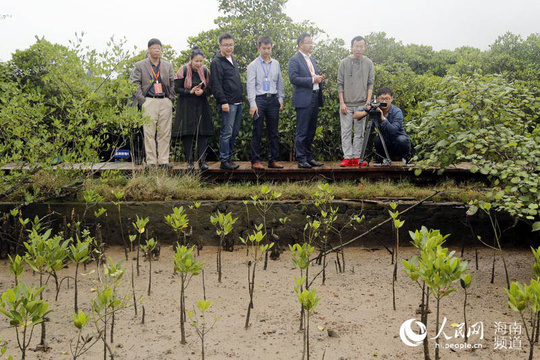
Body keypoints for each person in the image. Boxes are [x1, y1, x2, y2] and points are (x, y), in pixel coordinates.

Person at [130, 38, 175, 169]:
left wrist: (170, 98)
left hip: (164, 100)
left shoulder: (168, 65)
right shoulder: (140, 65)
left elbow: (173, 82)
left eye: (159, 48)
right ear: (149, 50)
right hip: (149, 100)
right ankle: (150, 161)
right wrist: (142, 100)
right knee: (149, 132)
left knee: (165, 132)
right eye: (154, 48)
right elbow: (134, 84)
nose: (157, 50)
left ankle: (163, 161)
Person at [246, 36, 285, 170]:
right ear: (259, 48)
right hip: (259, 100)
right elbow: (250, 86)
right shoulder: (253, 65)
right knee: (257, 131)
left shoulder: (276, 64)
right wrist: (252, 103)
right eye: (264, 48)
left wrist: (280, 98)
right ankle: (255, 161)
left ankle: (273, 160)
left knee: (273, 132)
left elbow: (280, 82)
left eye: (268, 48)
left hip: (273, 99)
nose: (266, 51)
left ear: (272, 47)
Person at [173, 46, 213, 171]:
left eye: (201, 61)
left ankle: (202, 161)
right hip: (186, 104)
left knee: (202, 133)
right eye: (196, 61)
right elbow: (176, 88)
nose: (199, 64)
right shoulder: (183, 70)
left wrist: (203, 92)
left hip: (201, 104)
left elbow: (210, 89)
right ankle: (190, 161)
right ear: (191, 60)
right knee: (188, 133)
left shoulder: (206, 71)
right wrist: (189, 91)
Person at [288, 33, 325, 169]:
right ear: (300, 44)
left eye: (311, 42)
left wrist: (319, 78)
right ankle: (301, 158)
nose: (311, 45)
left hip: (315, 96)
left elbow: (312, 76)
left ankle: (309, 157)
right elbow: (294, 78)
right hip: (303, 99)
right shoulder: (295, 60)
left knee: (311, 129)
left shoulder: (312, 59)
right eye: (308, 42)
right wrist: (312, 80)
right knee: (302, 130)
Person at [337, 36, 375, 167]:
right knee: (346, 131)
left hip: (361, 104)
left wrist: (368, 102)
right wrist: (342, 103)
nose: (359, 49)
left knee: (359, 132)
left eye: (361, 46)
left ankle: (357, 157)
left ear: (364, 47)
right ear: (351, 47)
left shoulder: (368, 63)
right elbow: (340, 84)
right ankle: (347, 157)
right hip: (346, 103)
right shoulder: (344, 63)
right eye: (356, 46)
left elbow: (370, 84)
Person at [210, 33, 243, 170]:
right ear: (220, 46)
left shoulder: (233, 59)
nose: (229, 47)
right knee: (226, 133)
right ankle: (224, 160)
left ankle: (229, 158)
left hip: (237, 102)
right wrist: (223, 101)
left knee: (234, 132)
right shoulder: (217, 61)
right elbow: (216, 84)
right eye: (226, 45)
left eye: (231, 44)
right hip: (227, 103)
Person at [354, 87, 411, 161]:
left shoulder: (397, 111)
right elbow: (355, 115)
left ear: (392, 98)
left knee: (402, 139)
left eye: (387, 99)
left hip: (397, 140)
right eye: (382, 99)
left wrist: (382, 118)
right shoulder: (375, 108)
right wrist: (368, 111)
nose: (384, 101)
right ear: (378, 99)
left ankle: (405, 158)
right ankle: (382, 159)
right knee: (377, 140)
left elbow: (393, 131)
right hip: (384, 141)